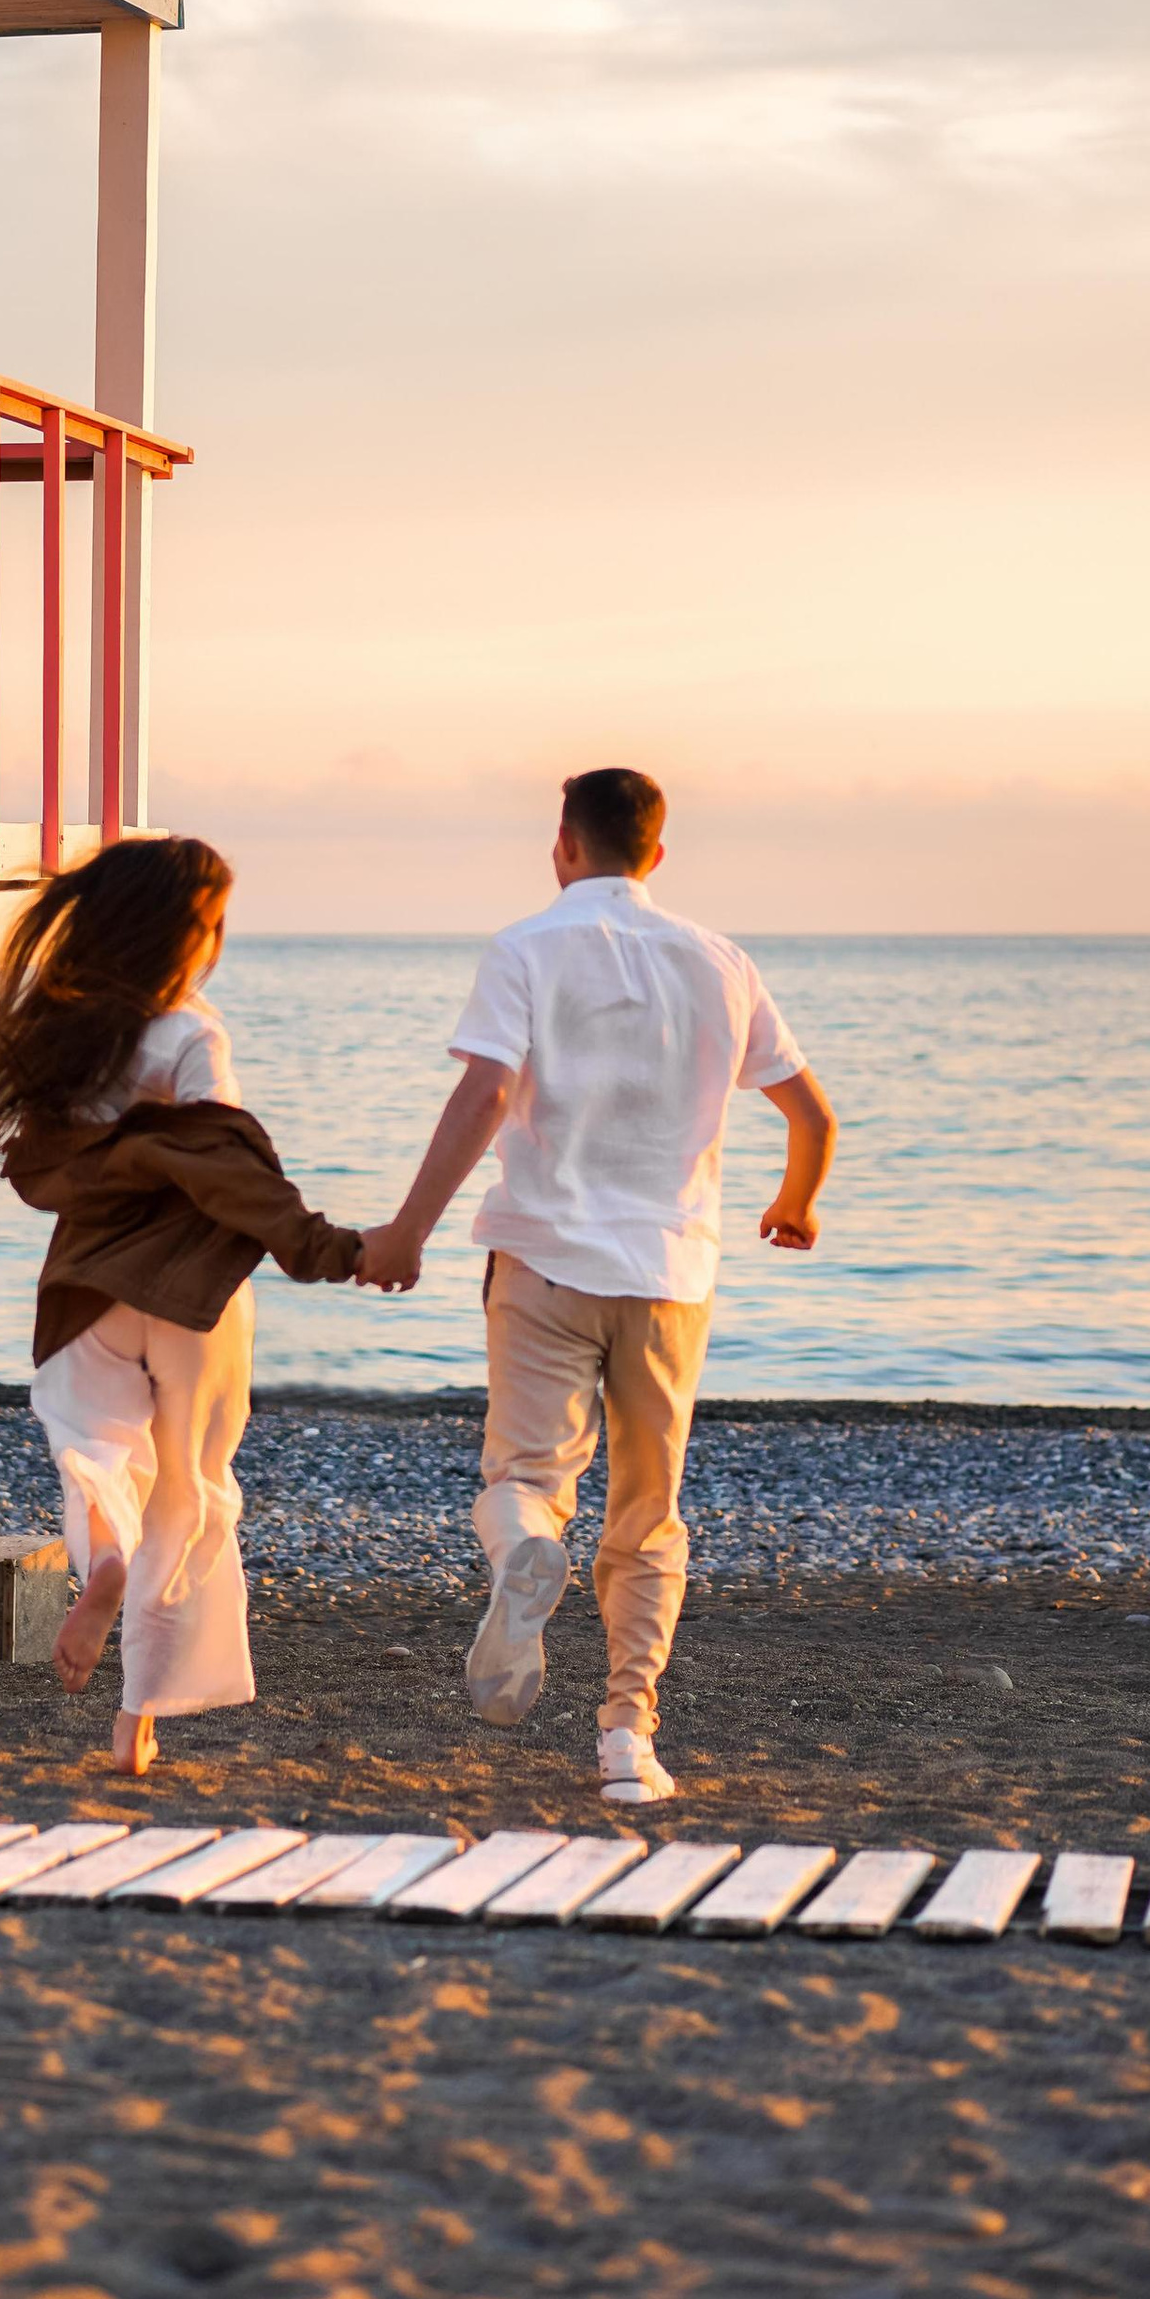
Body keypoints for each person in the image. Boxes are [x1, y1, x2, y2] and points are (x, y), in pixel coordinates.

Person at [364, 768, 836, 1804]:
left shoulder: (525, 948)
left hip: (540, 1259)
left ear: (561, 848)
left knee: (523, 1480)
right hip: (669, 1275)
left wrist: (407, 1231)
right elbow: (811, 1116)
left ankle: (529, 1552)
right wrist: (794, 1206)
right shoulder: (721, 962)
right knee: (647, 1514)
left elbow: (486, 1090)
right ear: (655, 855)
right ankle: (628, 1738)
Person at [0, 835, 381, 1779]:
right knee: (191, 1481)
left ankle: (102, 1563)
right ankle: (137, 1717)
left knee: (94, 1449)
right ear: (177, 935)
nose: (218, 942)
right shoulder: (191, 1033)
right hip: (190, 1299)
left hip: (88, 1289)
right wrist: (332, 1247)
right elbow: (220, 1157)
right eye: (212, 924)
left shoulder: (67, 1031)